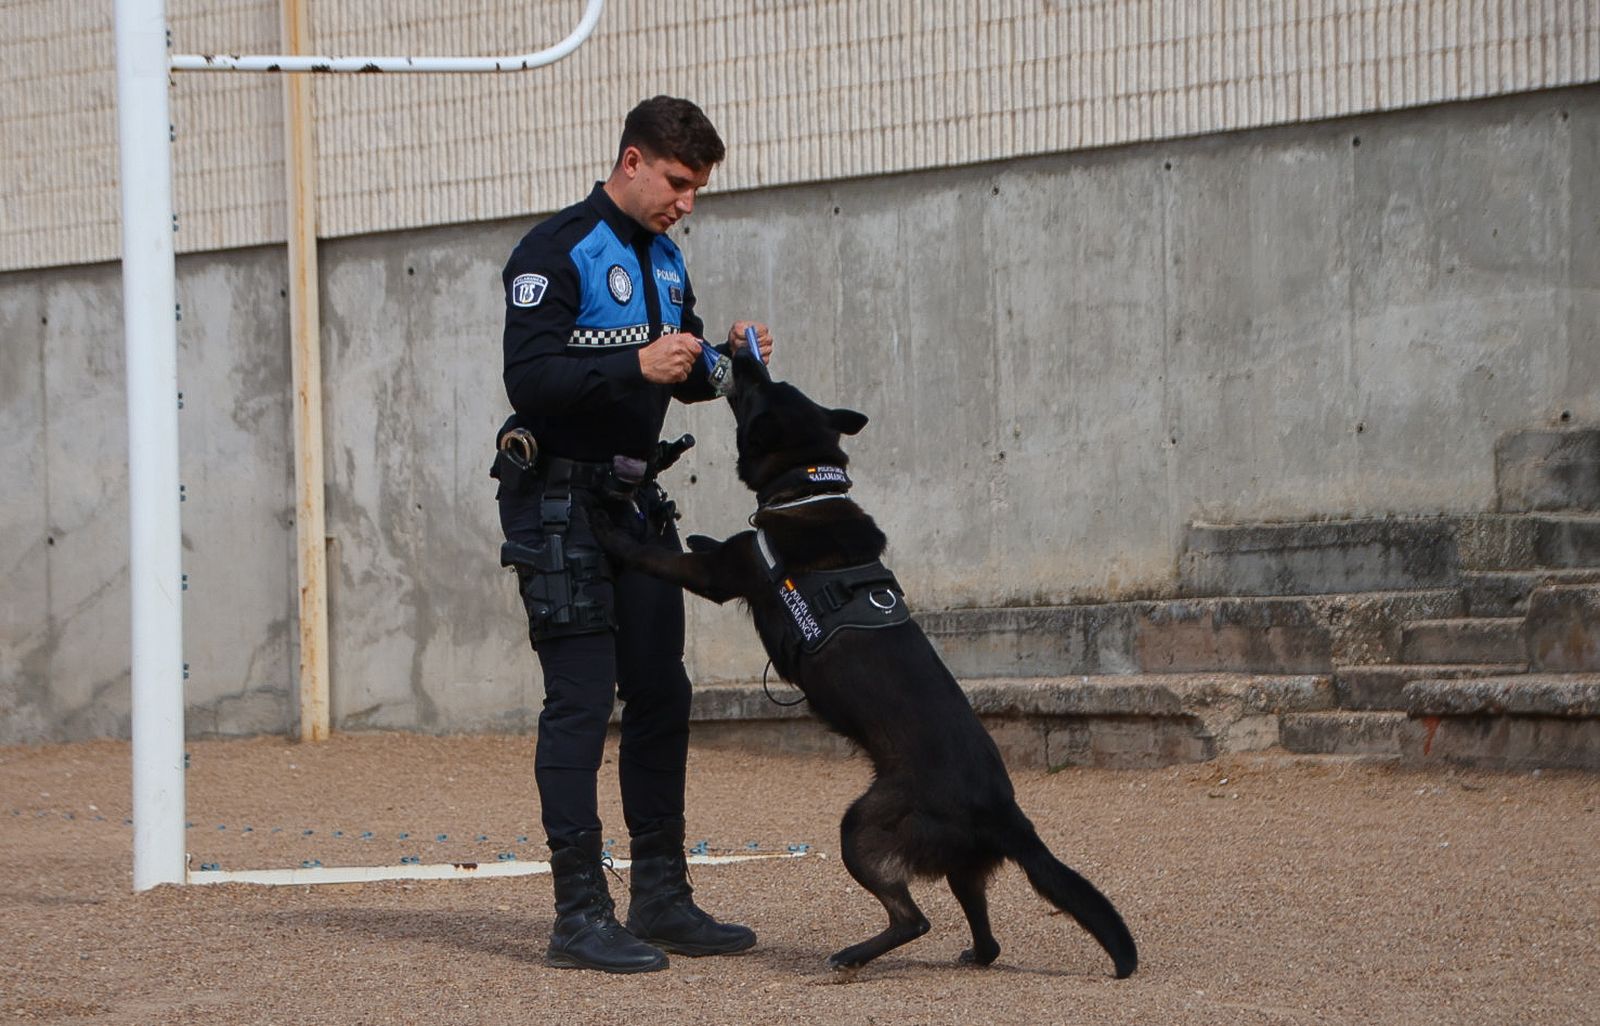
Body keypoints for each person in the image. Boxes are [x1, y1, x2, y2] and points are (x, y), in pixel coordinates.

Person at [492, 95, 773, 974]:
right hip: (557, 506)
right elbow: (529, 379)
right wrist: (631, 364)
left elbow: (679, 373)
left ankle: (661, 898)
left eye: (697, 189)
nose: (687, 201)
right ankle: (579, 914)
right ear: (632, 162)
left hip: (633, 505)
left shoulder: (665, 260)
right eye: (679, 183)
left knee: (662, 692)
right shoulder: (555, 250)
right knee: (581, 699)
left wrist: (731, 358)